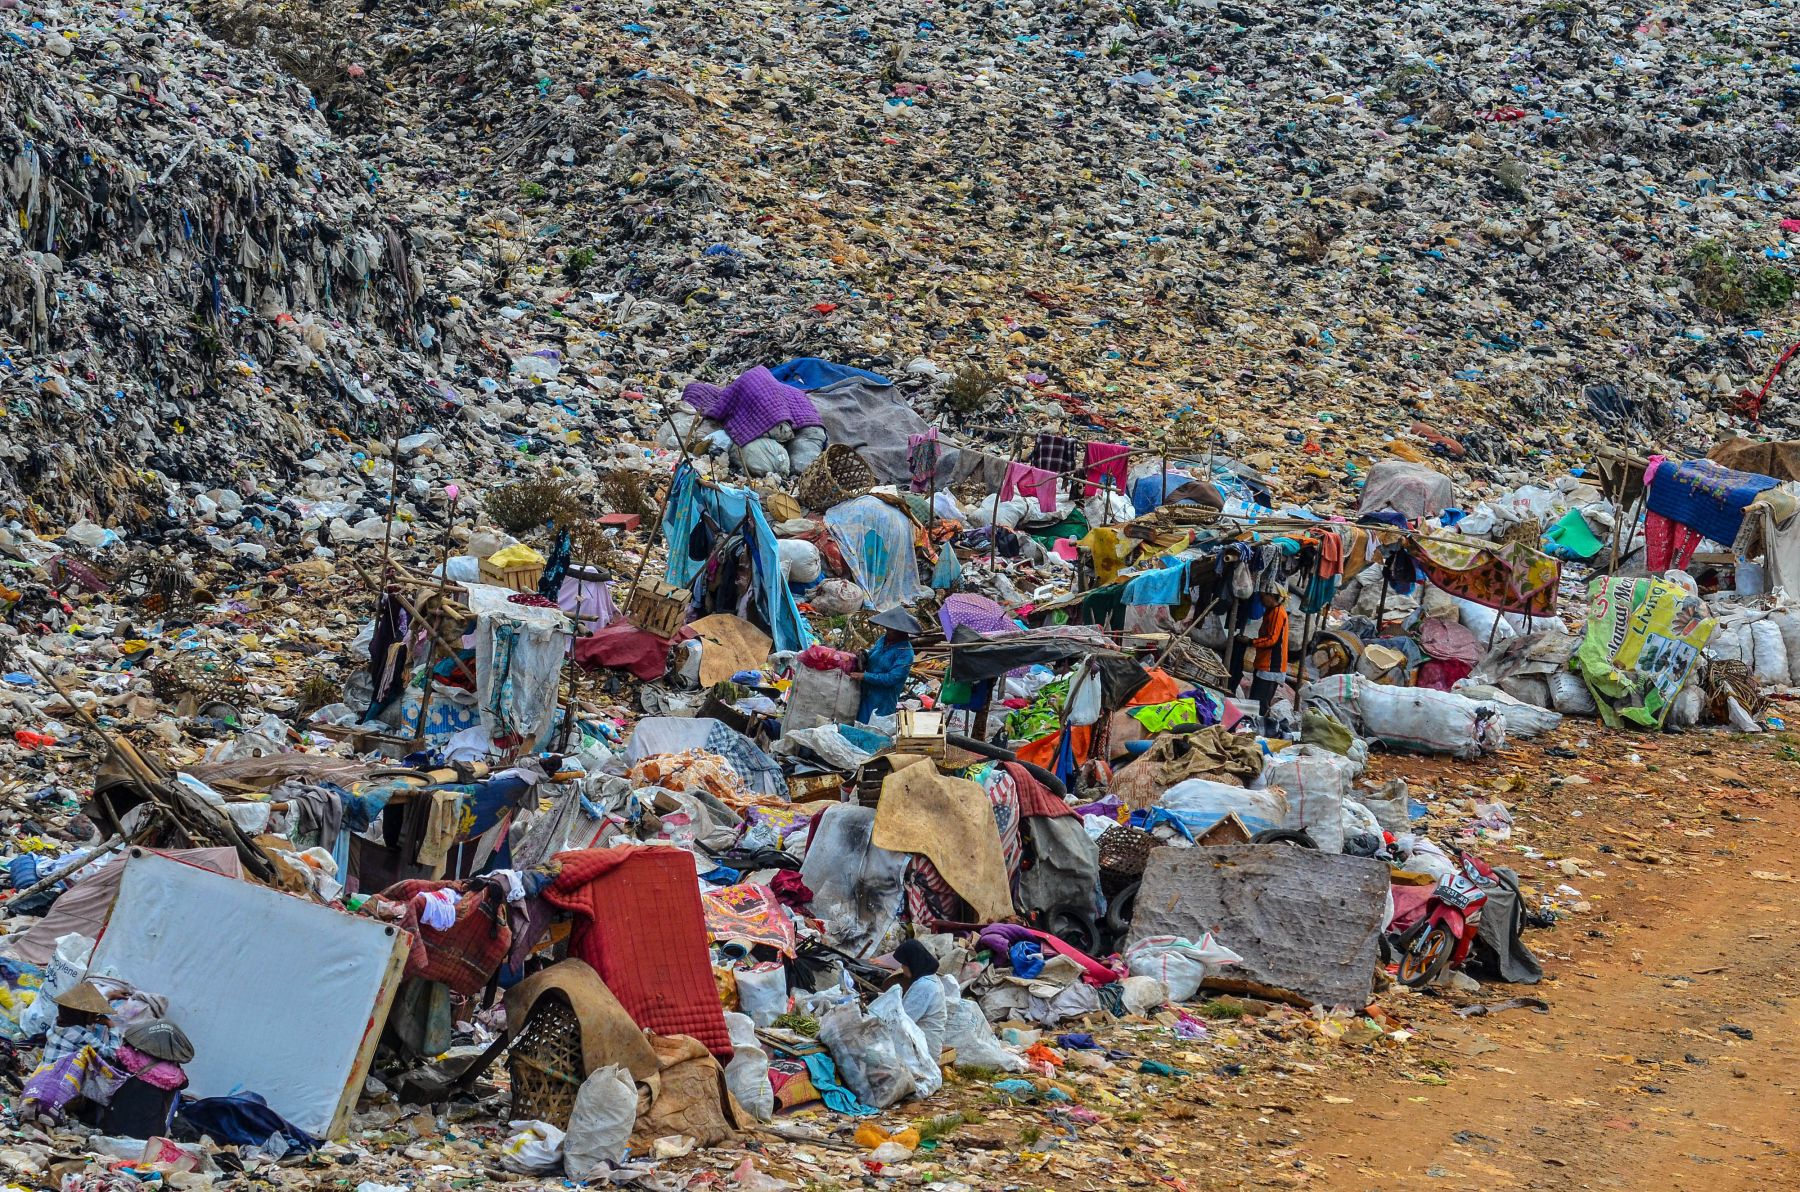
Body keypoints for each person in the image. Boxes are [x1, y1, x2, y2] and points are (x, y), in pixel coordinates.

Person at [852, 607, 921, 724]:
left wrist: (865, 676)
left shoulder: (905, 653)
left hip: (883, 701)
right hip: (867, 693)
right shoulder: (883, 640)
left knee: (872, 730)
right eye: (887, 629)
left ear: (901, 631)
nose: (887, 632)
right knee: (858, 725)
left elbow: (892, 678)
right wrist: (863, 655)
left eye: (891, 630)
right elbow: (872, 655)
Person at [892, 938, 947, 1058]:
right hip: (925, 1047)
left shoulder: (925, 986)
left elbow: (903, 1019)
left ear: (913, 962)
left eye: (904, 963)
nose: (902, 967)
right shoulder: (930, 980)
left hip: (923, 1052)